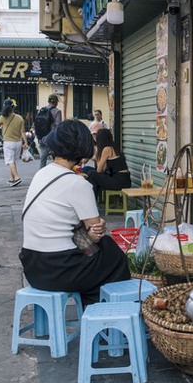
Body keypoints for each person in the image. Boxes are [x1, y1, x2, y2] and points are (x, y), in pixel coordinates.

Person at [19, 119, 130, 305]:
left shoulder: (42, 174)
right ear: (83, 148)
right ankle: (104, 317)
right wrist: (99, 228)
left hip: (32, 268)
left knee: (97, 259)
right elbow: (95, 235)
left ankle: (93, 310)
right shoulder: (79, 184)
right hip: (60, 269)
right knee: (111, 253)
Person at [85, 128, 131, 194]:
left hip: (120, 181)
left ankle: (92, 198)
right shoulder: (114, 147)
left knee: (92, 174)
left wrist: (96, 157)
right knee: (90, 171)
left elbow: (99, 170)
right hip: (124, 180)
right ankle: (94, 198)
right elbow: (103, 169)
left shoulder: (107, 149)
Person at [0, 99, 28, 187]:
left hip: (8, 142)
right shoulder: (20, 117)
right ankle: (12, 179)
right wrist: (25, 142)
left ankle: (17, 177)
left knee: (10, 161)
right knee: (13, 162)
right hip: (18, 142)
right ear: (13, 107)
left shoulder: (4, 117)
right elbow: (22, 131)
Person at [35, 94, 62, 169]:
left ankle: (42, 174)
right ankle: (55, 173)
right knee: (57, 159)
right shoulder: (57, 111)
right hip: (52, 138)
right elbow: (58, 125)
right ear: (56, 102)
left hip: (42, 137)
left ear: (48, 101)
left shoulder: (41, 110)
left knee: (43, 159)